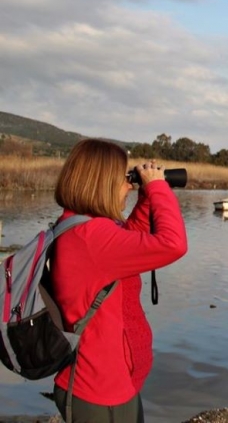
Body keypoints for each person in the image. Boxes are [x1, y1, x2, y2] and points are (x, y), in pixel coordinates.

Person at [50, 139, 188, 422]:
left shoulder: (84, 226)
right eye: (124, 179)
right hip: (98, 391)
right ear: (102, 182)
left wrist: (147, 197)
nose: (129, 185)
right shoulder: (92, 237)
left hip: (109, 385)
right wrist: (158, 187)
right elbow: (173, 244)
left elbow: (131, 238)